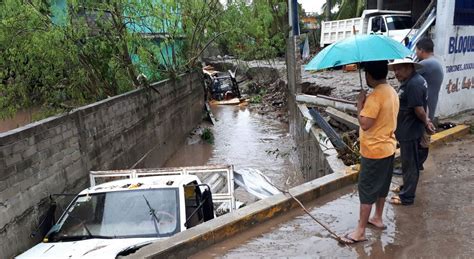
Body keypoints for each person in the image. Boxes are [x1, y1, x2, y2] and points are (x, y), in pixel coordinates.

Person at [339, 60, 399, 244]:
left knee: (366, 190)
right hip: (388, 147)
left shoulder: (375, 97)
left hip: (374, 151)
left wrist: (360, 104)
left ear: (369, 75)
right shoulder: (391, 91)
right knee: (381, 186)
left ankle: (360, 231)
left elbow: (365, 124)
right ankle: (378, 218)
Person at [388, 58, 435, 206]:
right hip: (407, 129)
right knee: (408, 163)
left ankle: (407, 197)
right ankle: (405, 188)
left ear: (409, 67)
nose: (396, 72)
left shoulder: (414, 84)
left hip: (410, 130)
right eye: (395, 69)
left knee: (410, 165)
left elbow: (419, 109)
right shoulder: (413, 80)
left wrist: (426, 122)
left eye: (399, 69)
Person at [415, 38, 445, 170]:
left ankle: (415, 165)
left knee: (419, 139)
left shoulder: (426, 64)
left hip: (423, 108)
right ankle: (418, 164)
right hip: (430, 107)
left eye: (416, 50)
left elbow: (407, 76)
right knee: (424, 138)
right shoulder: (436, 63)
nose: (416, 53)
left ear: (421, 50)